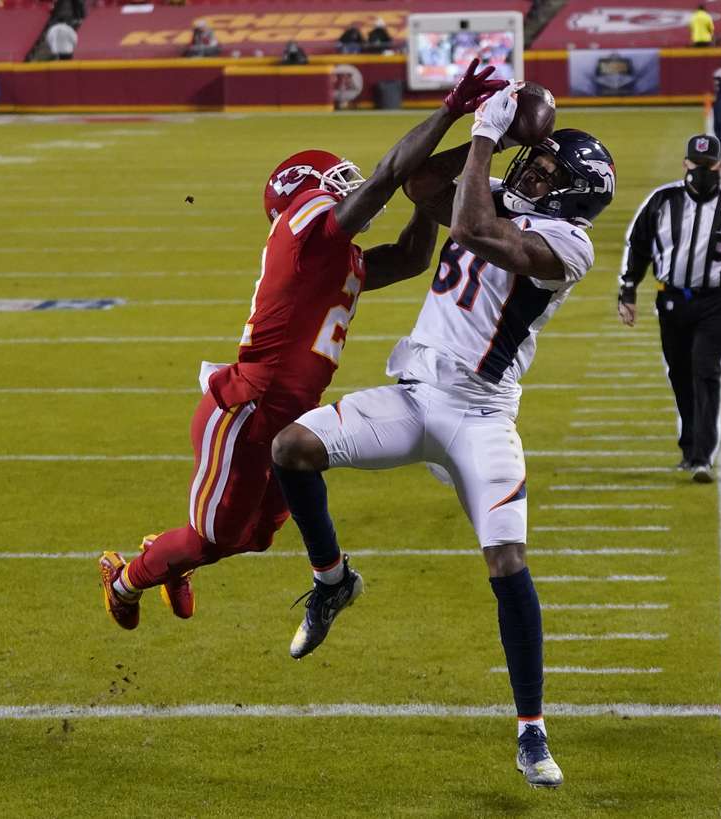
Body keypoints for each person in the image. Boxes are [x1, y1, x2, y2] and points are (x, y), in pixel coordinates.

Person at [268, 88, 615, 788]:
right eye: (533, 160)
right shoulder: (498, 189)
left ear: (575, 194)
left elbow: (475, 231)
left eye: (547, 170)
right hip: (415, 395)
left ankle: (531, 729)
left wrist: (487, 136)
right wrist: (478, 126)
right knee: (291, 449)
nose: (531, 171)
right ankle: (332, 581)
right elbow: (417, 180)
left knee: (507, 561)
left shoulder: (571, 245)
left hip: (481, 415)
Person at [96, 61, 505, 631]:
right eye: (338, 179)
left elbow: (411, 257)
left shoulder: (338, 256)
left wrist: (433, 183)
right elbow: (387, 176)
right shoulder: (305, 228)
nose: (349, 186)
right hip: (248, 409)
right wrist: (456, 117)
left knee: (256, 537)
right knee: (211, 538)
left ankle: (169, 555)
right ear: (307, 192)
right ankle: (125, 578)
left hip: (291, 415)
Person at [618, 134, 721, 483]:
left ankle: (703, 455)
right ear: (685, 163)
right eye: (696, 163)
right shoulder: (662, 201)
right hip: (671, 299)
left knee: (705, 370)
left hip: (716, 301)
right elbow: (638, 245)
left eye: (709, 164)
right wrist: (628, 290)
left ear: (720, 165)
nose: (702, 170)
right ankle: (690, 446)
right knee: (680, 374)